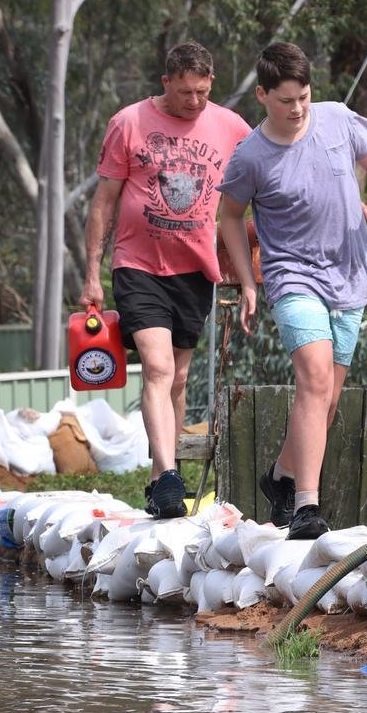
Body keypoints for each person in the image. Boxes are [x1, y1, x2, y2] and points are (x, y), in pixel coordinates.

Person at [217, 42, 367, 540]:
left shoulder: (338, 118)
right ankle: (306, 506)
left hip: (350, 271)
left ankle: (279, 478)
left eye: (303, 96)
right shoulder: (251, 157)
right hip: (292, 276)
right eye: (285, 100)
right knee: (314, 380)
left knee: (328, 398)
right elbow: (230, 218)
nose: (297, 109)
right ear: (262, 95)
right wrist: (250, 282)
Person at [80, 41, 251, 519]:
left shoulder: (231, 126)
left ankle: (160, 483)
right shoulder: (129, 122)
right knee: (156, 368)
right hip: (137, 264)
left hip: (194, 269)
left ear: (211, 84)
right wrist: (92, 273)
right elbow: (104, 202)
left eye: (201, 92)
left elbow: (271, 170)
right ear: (165, 83)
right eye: (183, 92)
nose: (193, 101)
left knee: (177, 378)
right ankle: (169, 474)